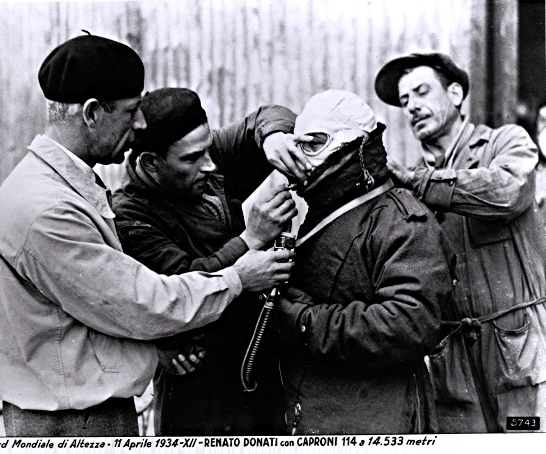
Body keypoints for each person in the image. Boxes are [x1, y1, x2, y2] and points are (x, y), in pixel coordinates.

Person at [0, 34, 294, 437]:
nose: (141, 124)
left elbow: (91, 312)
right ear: (92, 113)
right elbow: (146, 304)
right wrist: (239, 274)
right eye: (130, 112)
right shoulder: (48, 209)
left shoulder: (54, 187)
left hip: (81, 411)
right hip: (73, 424)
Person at [112, 87, 308, 436]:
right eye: (191, 159)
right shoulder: (130, 216)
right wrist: (252, 239)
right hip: (198, 386)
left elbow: (264, 118)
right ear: (150, 164)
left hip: (257, 365)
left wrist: (276, 137)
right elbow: (185, 282)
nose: (211, 164)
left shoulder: (203, 153)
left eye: (208, 149)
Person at [375, 52, 546, 433]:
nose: (412, 107)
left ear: (455, 93)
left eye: (421, 92)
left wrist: (422, 184)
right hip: (452, 365)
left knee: (527, 440)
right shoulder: (404, 185)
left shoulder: (505, 143)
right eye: (405, 102)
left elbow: (510, 191)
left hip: (518, 355)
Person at [271, 89, 456, 435]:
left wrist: (306, 322)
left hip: (377, 418)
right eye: (299, 146)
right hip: (317, 410)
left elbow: (411, 323)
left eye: (314, 144)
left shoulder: (399, 218)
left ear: (353, 145)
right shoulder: (325, 214)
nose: (301, 160)